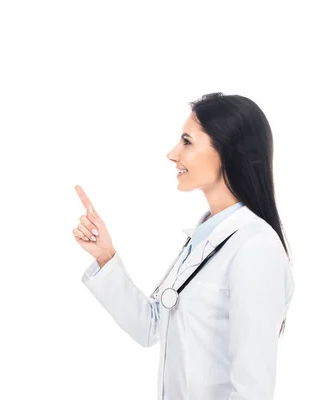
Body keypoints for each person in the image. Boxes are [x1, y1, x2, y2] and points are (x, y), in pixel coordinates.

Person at [72, 92, 295, 400]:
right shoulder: (205, 238)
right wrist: (105, 256)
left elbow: (252, 390)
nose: (173, 154)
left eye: (187, 142)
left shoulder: (255, 247)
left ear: (227, 151)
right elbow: (151, 326)